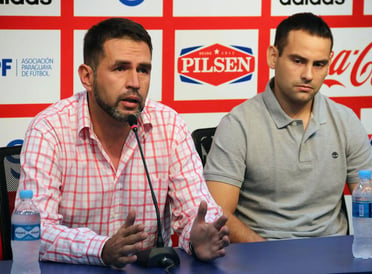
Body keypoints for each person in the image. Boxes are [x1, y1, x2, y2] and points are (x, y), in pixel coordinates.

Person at [16, 17, 229, 268]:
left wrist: (198, 237)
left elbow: (199, 211)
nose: (135, 83)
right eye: (120, 68)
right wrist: (102, 248)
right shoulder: (49, 129)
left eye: (143, 69)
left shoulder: (169, 126)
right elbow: (35, 230)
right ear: (87, 76)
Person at [204, 12, 372, 243]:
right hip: (261, 258)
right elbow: (217, 214)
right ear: (273, 57)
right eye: (298, 61)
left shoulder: (346, 121)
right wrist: (273, 259)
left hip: (334, 258)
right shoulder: (238, 124)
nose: (308, 75)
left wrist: (361, 253)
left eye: (319, 64)